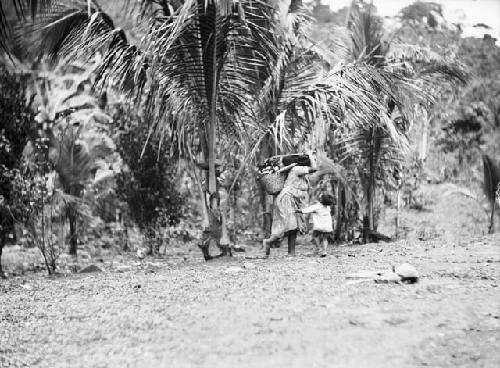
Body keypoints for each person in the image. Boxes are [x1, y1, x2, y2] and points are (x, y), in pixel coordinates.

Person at [263, 153, 317, 257]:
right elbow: (314, 168)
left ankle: (291, 253)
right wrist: (310, 154)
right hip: (287, 199)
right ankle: (268, 242)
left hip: (293, 200)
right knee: (288, 224)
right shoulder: (297, 169)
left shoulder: (300, 172)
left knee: (294, 226)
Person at [297, 193, 335, 257]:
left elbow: (307, 210)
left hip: (319, 226)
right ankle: (324, 252)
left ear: (321, 200)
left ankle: (318, 248)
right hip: (327, 226)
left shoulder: (317, 206)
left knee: (315, 237)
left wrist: (299, 211)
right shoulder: (328, 207)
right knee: (325, 239)